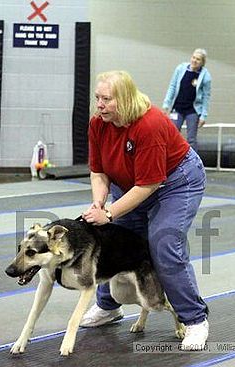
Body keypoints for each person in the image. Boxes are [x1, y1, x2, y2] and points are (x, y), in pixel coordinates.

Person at [81, 71, 209, 350]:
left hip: (176, 182)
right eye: (97, 98)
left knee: (164, 244)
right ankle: (108, 306)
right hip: (131, 184)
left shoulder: (148, 125)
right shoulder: (98, 124)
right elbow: (98, 171)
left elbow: (149, 185)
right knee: (111, 240)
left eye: (106, 99)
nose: (99, 105)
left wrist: (111, 213)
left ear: (124, 99)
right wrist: (99, 203)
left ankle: (195, 320)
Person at [162, 48, 211, 153]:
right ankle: (171, 157)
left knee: (191, 139)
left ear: (202, 63)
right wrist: (166, 104)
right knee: (172, 134)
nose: (194, 60)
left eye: (198, 59)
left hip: (192, 110)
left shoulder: (206, 77)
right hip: (177, 108)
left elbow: (206, 97)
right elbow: (172, 86)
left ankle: (193, 163)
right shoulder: (180, 69)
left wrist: (203, 115)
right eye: (193, 57)